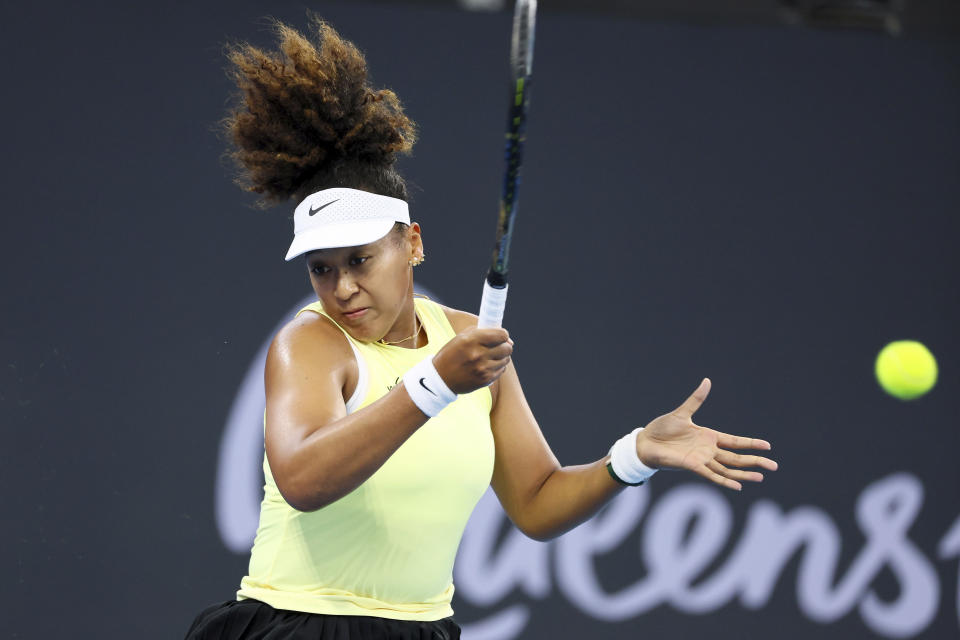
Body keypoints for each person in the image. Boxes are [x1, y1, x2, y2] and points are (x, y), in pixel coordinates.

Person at [185, 17, 777, 640]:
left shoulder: (465, 340)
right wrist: (434, 383)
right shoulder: (310, 343)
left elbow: (538, 501)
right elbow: (302, 480)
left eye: (360, 259)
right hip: (299, 627)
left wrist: (632, 457)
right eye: (321, 269)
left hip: (423, 629)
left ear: (411, 243)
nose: (342, 287)